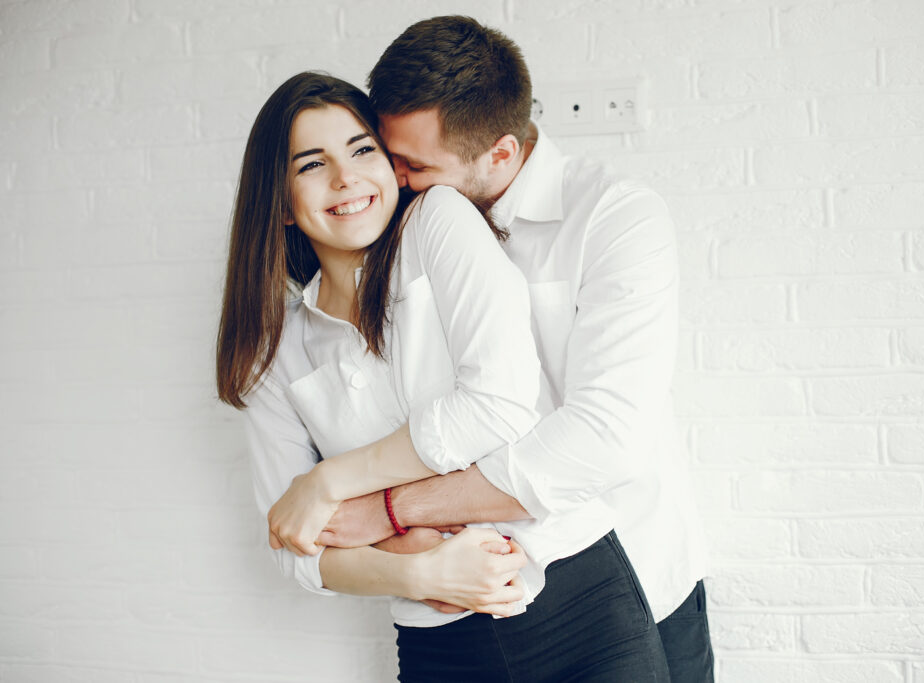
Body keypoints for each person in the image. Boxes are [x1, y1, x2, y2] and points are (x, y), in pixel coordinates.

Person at [216, 71, 672, 681]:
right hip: (438, 640)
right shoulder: (274, 354)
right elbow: (295, 546)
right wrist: (416, 573)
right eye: (312, 164)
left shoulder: (437, 221)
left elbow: (498, 405)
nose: (346, 177)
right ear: (280, 203)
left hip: (579, 600)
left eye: (361, 150)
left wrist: (332, 483)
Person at [318, 15, 715, 682]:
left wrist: (390, 508)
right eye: (390, 155)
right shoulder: (396, 232)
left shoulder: (614, 218)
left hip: (636, 585)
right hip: (474, 608)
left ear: (500, 154)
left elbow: (602, 439)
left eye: (416, 165)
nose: (393, 179)